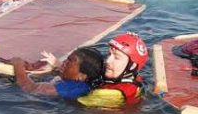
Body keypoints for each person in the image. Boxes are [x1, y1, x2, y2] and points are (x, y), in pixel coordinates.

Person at [13, 32, 149, 109]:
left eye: (116, 58)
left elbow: (29, 88)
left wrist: (17, 64)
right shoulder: (128, 78)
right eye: (109, 54)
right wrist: (58, 64)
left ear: (132, 66)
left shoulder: (110, 94)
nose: (108, 61)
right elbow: (84, 72)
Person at [11, 47, 104, 99]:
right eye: (67, 58)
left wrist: (18, 65)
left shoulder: (71, 87)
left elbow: (29, 88)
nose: (64, 62)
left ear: (81, 76)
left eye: (70, 61)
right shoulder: (83, 85)